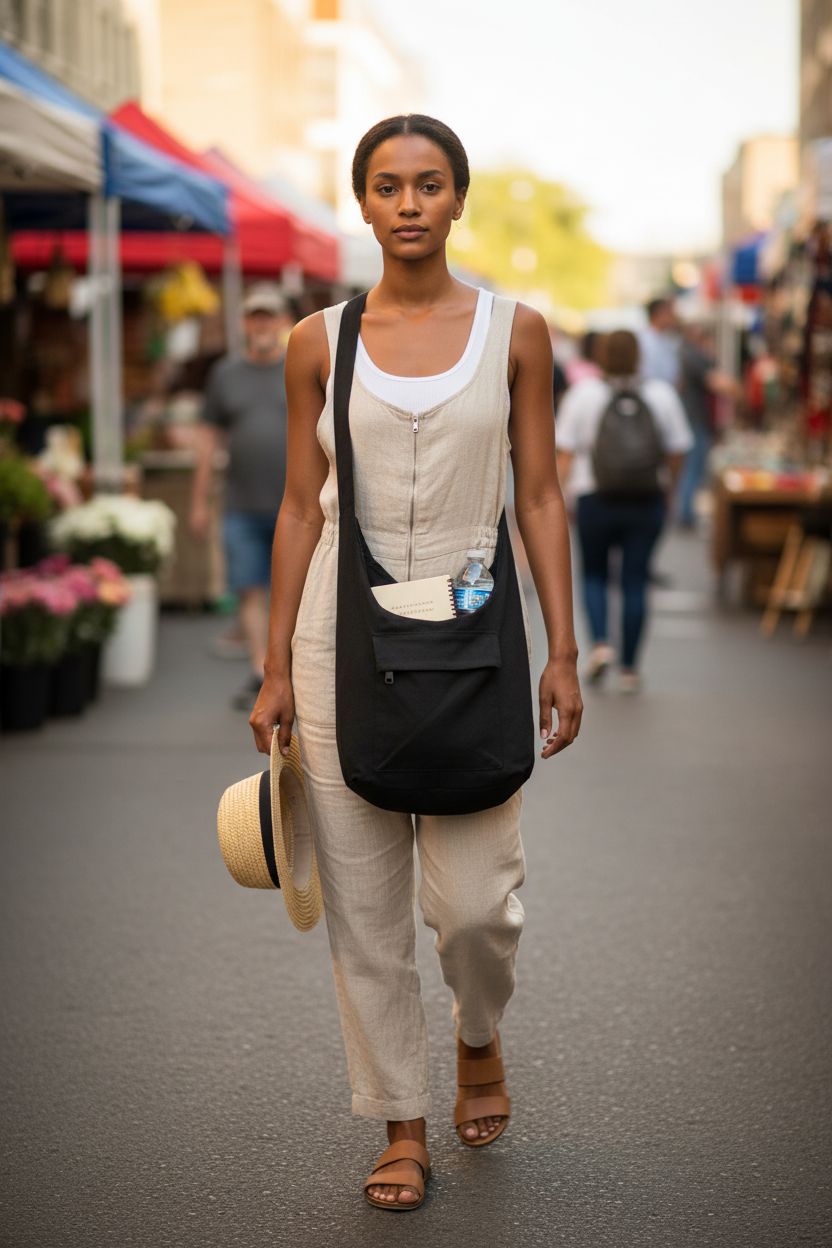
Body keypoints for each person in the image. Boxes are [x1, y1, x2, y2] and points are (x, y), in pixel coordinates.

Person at [249, 114, 583, 1211]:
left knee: (476, 903)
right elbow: (300, 506)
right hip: (338, 637)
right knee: (365, 909)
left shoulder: (514, 332)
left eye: (428, 184)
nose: (407, 202)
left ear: (456, 199)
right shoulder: (315, 341)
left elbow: (536, 494)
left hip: (475, 625)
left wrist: (564, 651)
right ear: (361, 202)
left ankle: (477, 1031)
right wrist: (273, 666)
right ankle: (399, 1121)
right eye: (387, 184)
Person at [555, 330, 693, 693]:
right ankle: (630, 668)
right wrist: (670, 488)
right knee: (635, 580)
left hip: (593, 497)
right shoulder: (660, 394)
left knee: (594, 575)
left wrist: (560, 496)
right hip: (646, 498)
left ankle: (601, 644)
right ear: (638, 356)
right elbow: (679, 448)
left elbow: (565, 453)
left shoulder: (584, 394)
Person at [189, 284, 294, 709]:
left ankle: (291, 670)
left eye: (270, 316)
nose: (262, 324)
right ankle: (259, 669)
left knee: (296, 594)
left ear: (284, 322)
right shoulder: (226, 374)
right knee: (249, 589)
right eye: (255, 317)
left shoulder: (299, 366)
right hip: (241, 503)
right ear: (244, 323)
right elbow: (208, 440)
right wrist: (199, 501)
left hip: (297, 506)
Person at [677, 324, 739, 529]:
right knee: (693, 466)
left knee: (692, 466)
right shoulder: (693, 356)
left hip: (695, 418)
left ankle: (686, 511)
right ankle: (686, 512)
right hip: (695, 418)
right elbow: (718, 382)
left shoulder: (688, 355)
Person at [639, 296, 680, 386]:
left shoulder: (668, 339)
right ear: (659, 314)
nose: (674, 316)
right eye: (670, 313)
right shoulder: (645, 341)